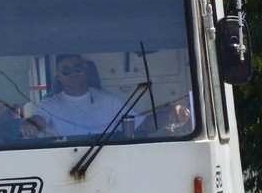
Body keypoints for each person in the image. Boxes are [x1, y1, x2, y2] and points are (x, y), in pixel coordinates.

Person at [23, 53, 194, 140]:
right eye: (66, 70)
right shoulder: (51, 104)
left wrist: (170, 112)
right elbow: (38, 120)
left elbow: (144, 125)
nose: (73, 73)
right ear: (59, 75)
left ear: (85, 69)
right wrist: (29, 125)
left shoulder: (109, 102)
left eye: (77, 68)